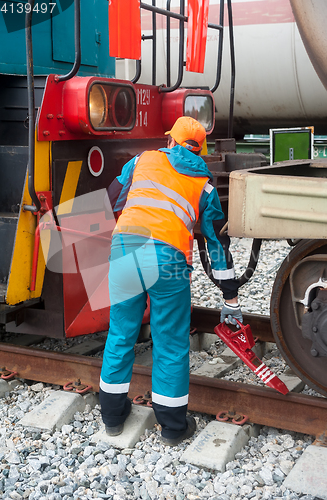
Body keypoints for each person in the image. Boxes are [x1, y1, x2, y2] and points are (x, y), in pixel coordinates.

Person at [99, 116, 242, 446]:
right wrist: (229, 293)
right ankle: (173, 428)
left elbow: (111, 198)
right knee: (171, 343)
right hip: (168, 262)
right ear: (200, 151)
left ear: (171, 142)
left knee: (120, 333)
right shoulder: (204, 186)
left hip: (125, 250)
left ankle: (112, 419)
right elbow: (216, 244)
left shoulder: (143, 159)